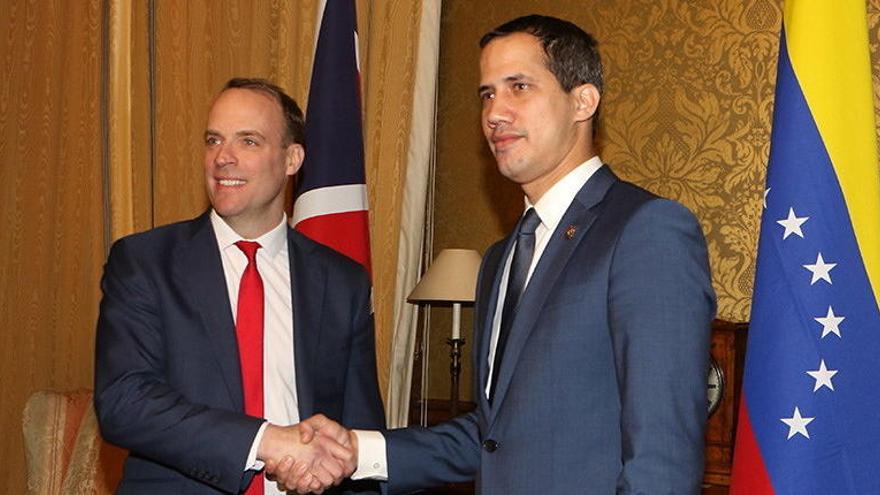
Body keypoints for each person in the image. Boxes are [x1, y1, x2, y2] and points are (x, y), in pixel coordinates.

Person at [276, 14, 716, 494]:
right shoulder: (499, 260)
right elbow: (492, 437)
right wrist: (359, 451)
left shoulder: (646, 231)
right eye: (487, 94)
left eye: (519, 87)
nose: (495, 113)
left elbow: (663, 456)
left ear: (582, 101)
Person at [94, 78, 385, 495]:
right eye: (214, 140)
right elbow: (124, 402)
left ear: (292, 159)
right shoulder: (144, 263)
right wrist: (265, 440)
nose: (222, 158)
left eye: (248, 142)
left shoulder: (342, 282)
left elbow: (357, 433)